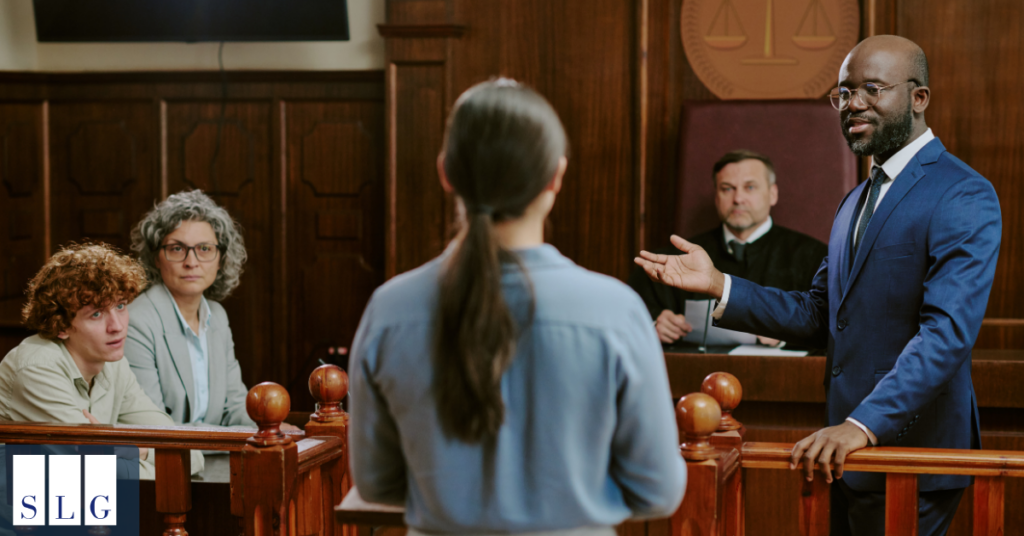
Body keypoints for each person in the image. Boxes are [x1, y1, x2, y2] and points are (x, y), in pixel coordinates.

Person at [635, 35, 1000, 536]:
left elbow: (947, 336)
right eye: (844, 92)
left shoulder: (962, 192)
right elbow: (818, 314)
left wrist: (860, 426)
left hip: (908, 455)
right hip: (840, 456)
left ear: (919, 99)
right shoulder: (854, 201)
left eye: (872, 88)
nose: (853, 104)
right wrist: (720, 284)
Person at [349, 79, 685, 534]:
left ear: (446, 171)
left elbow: (375, 483)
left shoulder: (390, 310)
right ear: (556, 176)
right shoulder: (615, 312)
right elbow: (658, 491)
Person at [0, 243, 204, 479]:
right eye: (96, 314)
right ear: (61, 325)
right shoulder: (36, 367)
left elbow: (191, 455)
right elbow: (99, 475)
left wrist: (135, 450)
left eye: (120, 306)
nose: (117, 327)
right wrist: (133, 452)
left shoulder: (114, 365)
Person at [125, 190, 297, 431]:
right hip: (157, 465)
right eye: (177, 248)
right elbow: (155, 429)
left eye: (204, 248)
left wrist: (274, 428)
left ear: (220, 258)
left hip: (212, 461)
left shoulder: (216, 315)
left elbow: (234, 406)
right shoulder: (136, 321)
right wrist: (251, 434)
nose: (191, 261)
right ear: (156, 257)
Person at [628, 150, 826, 346]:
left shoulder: (814, 256)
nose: (738, 198)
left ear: (772, 194)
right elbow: (630, 314)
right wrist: (654, 322)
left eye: (750, 187)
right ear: (716, 197)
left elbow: (832, 324)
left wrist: (787, 335)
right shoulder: (679, 257)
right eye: (727, 189)